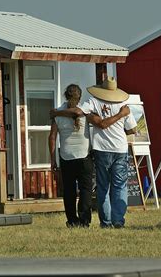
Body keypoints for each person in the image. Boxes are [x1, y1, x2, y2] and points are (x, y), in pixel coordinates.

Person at [51, 77, 136, 229]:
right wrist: (120, 117)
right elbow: (132, 129)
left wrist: (56, 112)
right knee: (110, 187)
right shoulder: (121, 105)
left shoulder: (89, 104)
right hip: (103, 152)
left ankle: (92, 221)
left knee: (93, 187)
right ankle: (106, 220)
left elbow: (54, 136)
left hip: (84, 152)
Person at [48, 84, 93, 228]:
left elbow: (52, 137)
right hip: (84, 154)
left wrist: (52, 158)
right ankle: (85, 220)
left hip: (66, 155)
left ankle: (72, 220)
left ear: (65, 96)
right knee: (85, 189)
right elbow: (78, 114)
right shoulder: (84, 111)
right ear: (79, 97)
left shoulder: (58, 113)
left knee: (69, 190)